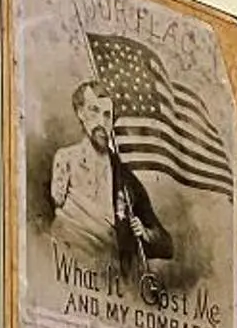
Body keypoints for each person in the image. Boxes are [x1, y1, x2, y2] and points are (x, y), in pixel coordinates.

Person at [48, 79, 172, 284]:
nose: (101, 122)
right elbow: (57, 201)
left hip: (108, 276)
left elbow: (167, 245)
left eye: (107, 115)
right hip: (65, 260)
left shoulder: (124, 177)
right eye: (94, 110)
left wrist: (145, 233)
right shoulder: (65, 159)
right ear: (80, 112)